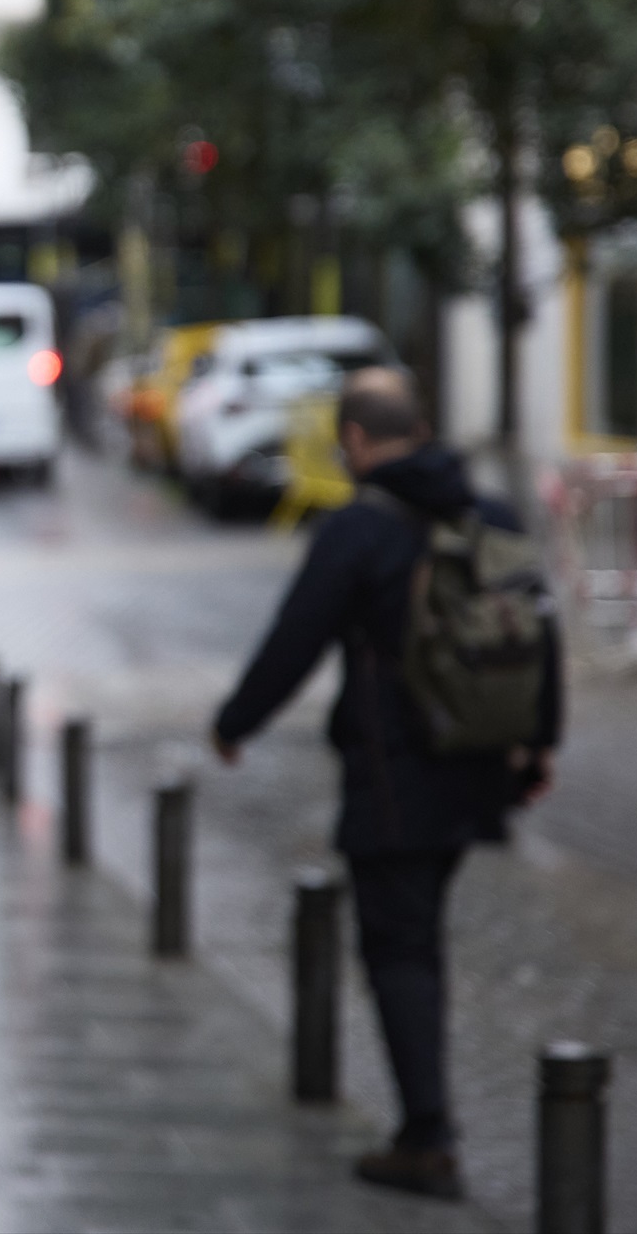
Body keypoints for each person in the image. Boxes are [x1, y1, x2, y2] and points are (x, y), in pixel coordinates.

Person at [210, 367, 560, 1201]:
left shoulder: (358, 531)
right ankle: (425, 1120)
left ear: (357, 441)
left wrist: (235, 723)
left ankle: (428, 1136)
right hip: (477, 767)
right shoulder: (491, 515)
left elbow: (295, 641)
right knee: (422, 938)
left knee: (399, 948)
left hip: (393, 776)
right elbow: (537, 630)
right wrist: (538, 745)